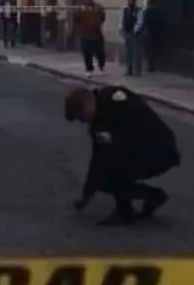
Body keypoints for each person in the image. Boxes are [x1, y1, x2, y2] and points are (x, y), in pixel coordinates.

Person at [64, 85, 181, 226]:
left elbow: (140, 121)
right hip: (141, 151)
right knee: (106, 171)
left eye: (80, 117)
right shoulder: (99, 124)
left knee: (112, 168)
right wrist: (87, 194)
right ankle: (147, 199)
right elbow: (98, 160)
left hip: (159, 149)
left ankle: (133, 207)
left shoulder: (114, 99)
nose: (83, 122)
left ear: (86, 106)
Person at [74, 0, 107, 75]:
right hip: (86, 35)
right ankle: (89, 69)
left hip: (97, 34)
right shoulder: (81, 8)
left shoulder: (98, 7)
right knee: (87, 53)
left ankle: (101, 66)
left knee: (100, 53)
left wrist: (97, 23)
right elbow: (76, 19)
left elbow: (103, 17)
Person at [121, 0, 144, 77]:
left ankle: (137, 71)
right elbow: (122, 20)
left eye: (131, 0)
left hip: (135, 35)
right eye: (128, 0)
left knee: (136, 53)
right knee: (128, 53)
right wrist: (122, 30)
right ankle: (129, 70)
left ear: (134, 1)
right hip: (127, 33)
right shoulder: (125, 10)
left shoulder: (138, 10)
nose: (129, 2)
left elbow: (140, 22)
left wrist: (134, 31)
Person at [142, 0, 163, 73]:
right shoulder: (158, 12)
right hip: (156, 33)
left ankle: (151, 66)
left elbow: (144, 22)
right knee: (155, 50)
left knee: (149, 50)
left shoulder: (147, 12)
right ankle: (154, 66)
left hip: (149, 33)